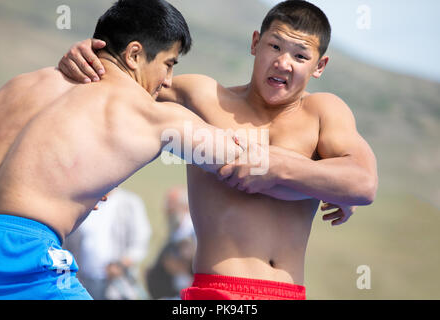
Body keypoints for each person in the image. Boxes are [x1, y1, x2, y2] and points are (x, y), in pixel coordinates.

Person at [59, 0, 378, 300]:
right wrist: (93, 57)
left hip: (289, 291)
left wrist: (280, 168)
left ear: (319, 65)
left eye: (300, 56)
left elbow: (362, 183)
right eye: (275, 46)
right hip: (216, 291)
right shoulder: (201, 96)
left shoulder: (324, 111)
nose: (283, 62)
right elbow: (115, 94)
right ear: (255, 43)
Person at [0, 0, 243, 300]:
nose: (168, 81)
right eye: (169, 64)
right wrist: (313, 173)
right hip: (25, 256)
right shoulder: (148, 114)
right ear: (134, 54)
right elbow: (241, 159)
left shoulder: (19, 86)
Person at [64, 188, 152, 300]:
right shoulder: (83, 202)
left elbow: (140, 242)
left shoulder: (129, 202)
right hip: (83, 281)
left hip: (116, 283)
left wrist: (121, 264)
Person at [146, 186, 195, 299]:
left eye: (173, 207)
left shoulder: (196, 233)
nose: (168, 211)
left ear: (186, 207)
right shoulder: (174, 234)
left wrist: (180, 266)